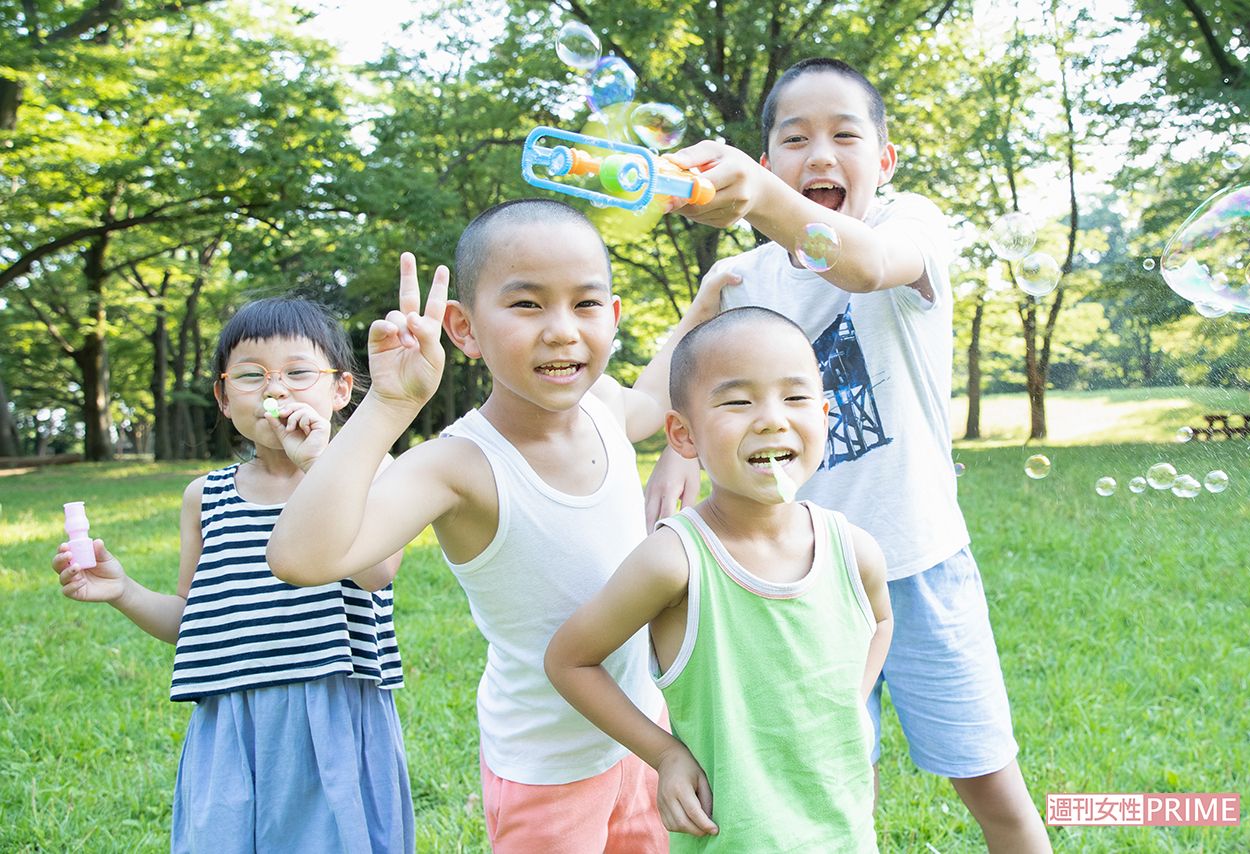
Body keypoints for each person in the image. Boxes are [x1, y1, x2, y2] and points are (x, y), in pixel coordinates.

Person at [646, 58, 1053, 852]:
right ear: (766, 163)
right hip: (796, 584)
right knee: (832, 789)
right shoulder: (744, 281)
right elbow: (681, 390)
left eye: (844, 135)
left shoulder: (910, 231)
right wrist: (674, 455)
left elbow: (863, 266)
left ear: (885, 160)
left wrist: (762, 201)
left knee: (991, 781)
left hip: (921, 561)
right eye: (794, 139)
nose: (820, 155)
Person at [267, 199, 736, 853]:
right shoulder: (461, 465)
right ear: (464, 329)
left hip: (640, 736)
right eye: (526, 304)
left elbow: (654, 400)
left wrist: (699, 314)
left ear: (614, 316)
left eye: (586, 304)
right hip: (545, 775)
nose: (562, 330)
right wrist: (389, 403)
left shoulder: (601, 405)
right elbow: (301, 557)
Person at [51, 297, 413, 853]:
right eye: (251, 375)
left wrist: (322, 465)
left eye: (299, 372)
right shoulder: (206, 497)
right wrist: (122, 591)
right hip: (231, 721)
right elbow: (193, 620)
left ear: (340, 389)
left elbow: (376, 574)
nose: (278, 388)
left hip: (335, 712)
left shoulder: (370, 470)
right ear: (224, 397)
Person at [545, 307, 894, 852]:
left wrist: (853, 696)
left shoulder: (854, 550)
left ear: (826, 415)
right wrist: (663, 753)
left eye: (796, 397)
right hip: (731, 837)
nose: (773, 418)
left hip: (844, 833)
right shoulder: (675, 561)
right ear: (683, 435)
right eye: (738, 401)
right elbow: (569, 659)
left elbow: (881, 621)